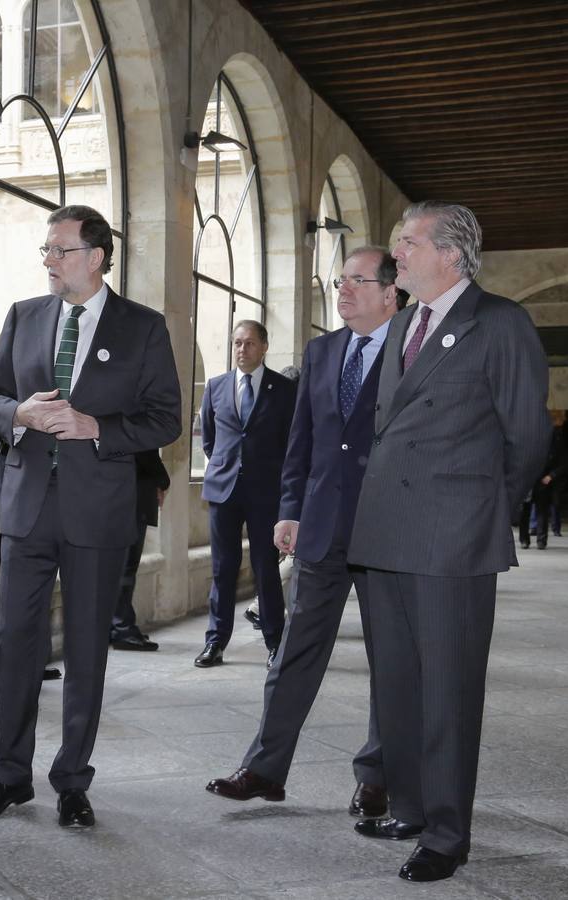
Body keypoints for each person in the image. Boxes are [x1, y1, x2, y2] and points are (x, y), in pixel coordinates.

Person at [348, 201, 550, 883]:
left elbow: (527, 437)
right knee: (397, 684)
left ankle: (446, 831)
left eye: (407, 243)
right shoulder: (405, 321)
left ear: (451, 255)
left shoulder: (499, 323)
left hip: (452, 538)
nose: (395, 254)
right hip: (384, 534)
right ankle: (407, 803)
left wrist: (480, 510)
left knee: (449, 691)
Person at [0, 204, 181, 829]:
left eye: (60, 250)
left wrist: (95, 428)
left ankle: (72, 780)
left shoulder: (142, 327)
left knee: (87, 648)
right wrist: (18, 415)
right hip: (26, 504)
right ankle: (9, 775)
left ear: (95, 257)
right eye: (47, 251)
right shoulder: (25, 317)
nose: (49, 261)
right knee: (13, 643)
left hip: (98, 510)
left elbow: (164, 416)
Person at [205, 245, 404, 820]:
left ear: (391, 293)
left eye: (357, 282)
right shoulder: (321, 352)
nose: (342, 291)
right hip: (321, 528)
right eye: (340, 281)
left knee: (388, 660)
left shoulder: (411, 351)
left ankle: (377, 776)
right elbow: (303, 441)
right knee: (293, 655)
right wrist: (289, 509)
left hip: (387, 529)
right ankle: (265, 769)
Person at [195, 320, 297, 669]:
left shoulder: (284, 390)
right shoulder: (217, 386)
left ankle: (275, 643)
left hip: (266, 494)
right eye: (237, 343)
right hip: (224, 491)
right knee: (222, 569)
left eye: (250, 343)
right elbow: (209, 439)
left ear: (264, 346)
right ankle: (215, 642)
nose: (242, 349)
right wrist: (227, 467)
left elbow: (293, 445)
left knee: (265, 568)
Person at [109, 449, 171, 651]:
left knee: (121, 567)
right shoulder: (134, 417)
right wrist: (162, 479)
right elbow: (144, 446)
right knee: (125, 567)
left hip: (121, 492)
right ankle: (122, 628)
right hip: (130, 494)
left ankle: (117, 625)